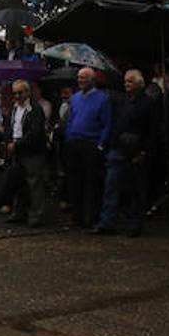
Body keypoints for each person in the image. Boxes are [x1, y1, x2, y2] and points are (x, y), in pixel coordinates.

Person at [96, 69, 154, 236]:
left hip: (136, 149)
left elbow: (152, 130)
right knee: (111, 186)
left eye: (130, 81)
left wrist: (143, 151)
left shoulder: (147, 103)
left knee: (136, 189)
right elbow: (116, 123)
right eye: (126, 81)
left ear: (139, 84)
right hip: (118, 147)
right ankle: (107, 222)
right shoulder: (122, 101)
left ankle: (134, 225)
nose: (126, 84)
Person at [0, 80, 50, 226]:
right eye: (15, 93)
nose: (17, 96)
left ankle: (36, 216)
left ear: (28, 92)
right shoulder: (14, 108)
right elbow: (10, 126)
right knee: (18, 184)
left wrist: (17, 143)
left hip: (31, 152)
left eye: (20, 93)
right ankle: (18, 213)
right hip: (16, 151)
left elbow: (35, 133)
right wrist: (8, 141)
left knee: (34, 184)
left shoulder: (35, 109)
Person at [64, 68, 111, 229]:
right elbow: (71, 118)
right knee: (74, 182)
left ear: (92, 80)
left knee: (92, 183)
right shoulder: (75, 98)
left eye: (83, 78)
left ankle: (92, 217)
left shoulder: (102, 99)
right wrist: (69, 135)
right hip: (74, 142)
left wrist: (100, 145)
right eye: (79, 78)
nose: (80, 80)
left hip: (91, 143)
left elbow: (106, 124)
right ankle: (77, 217)